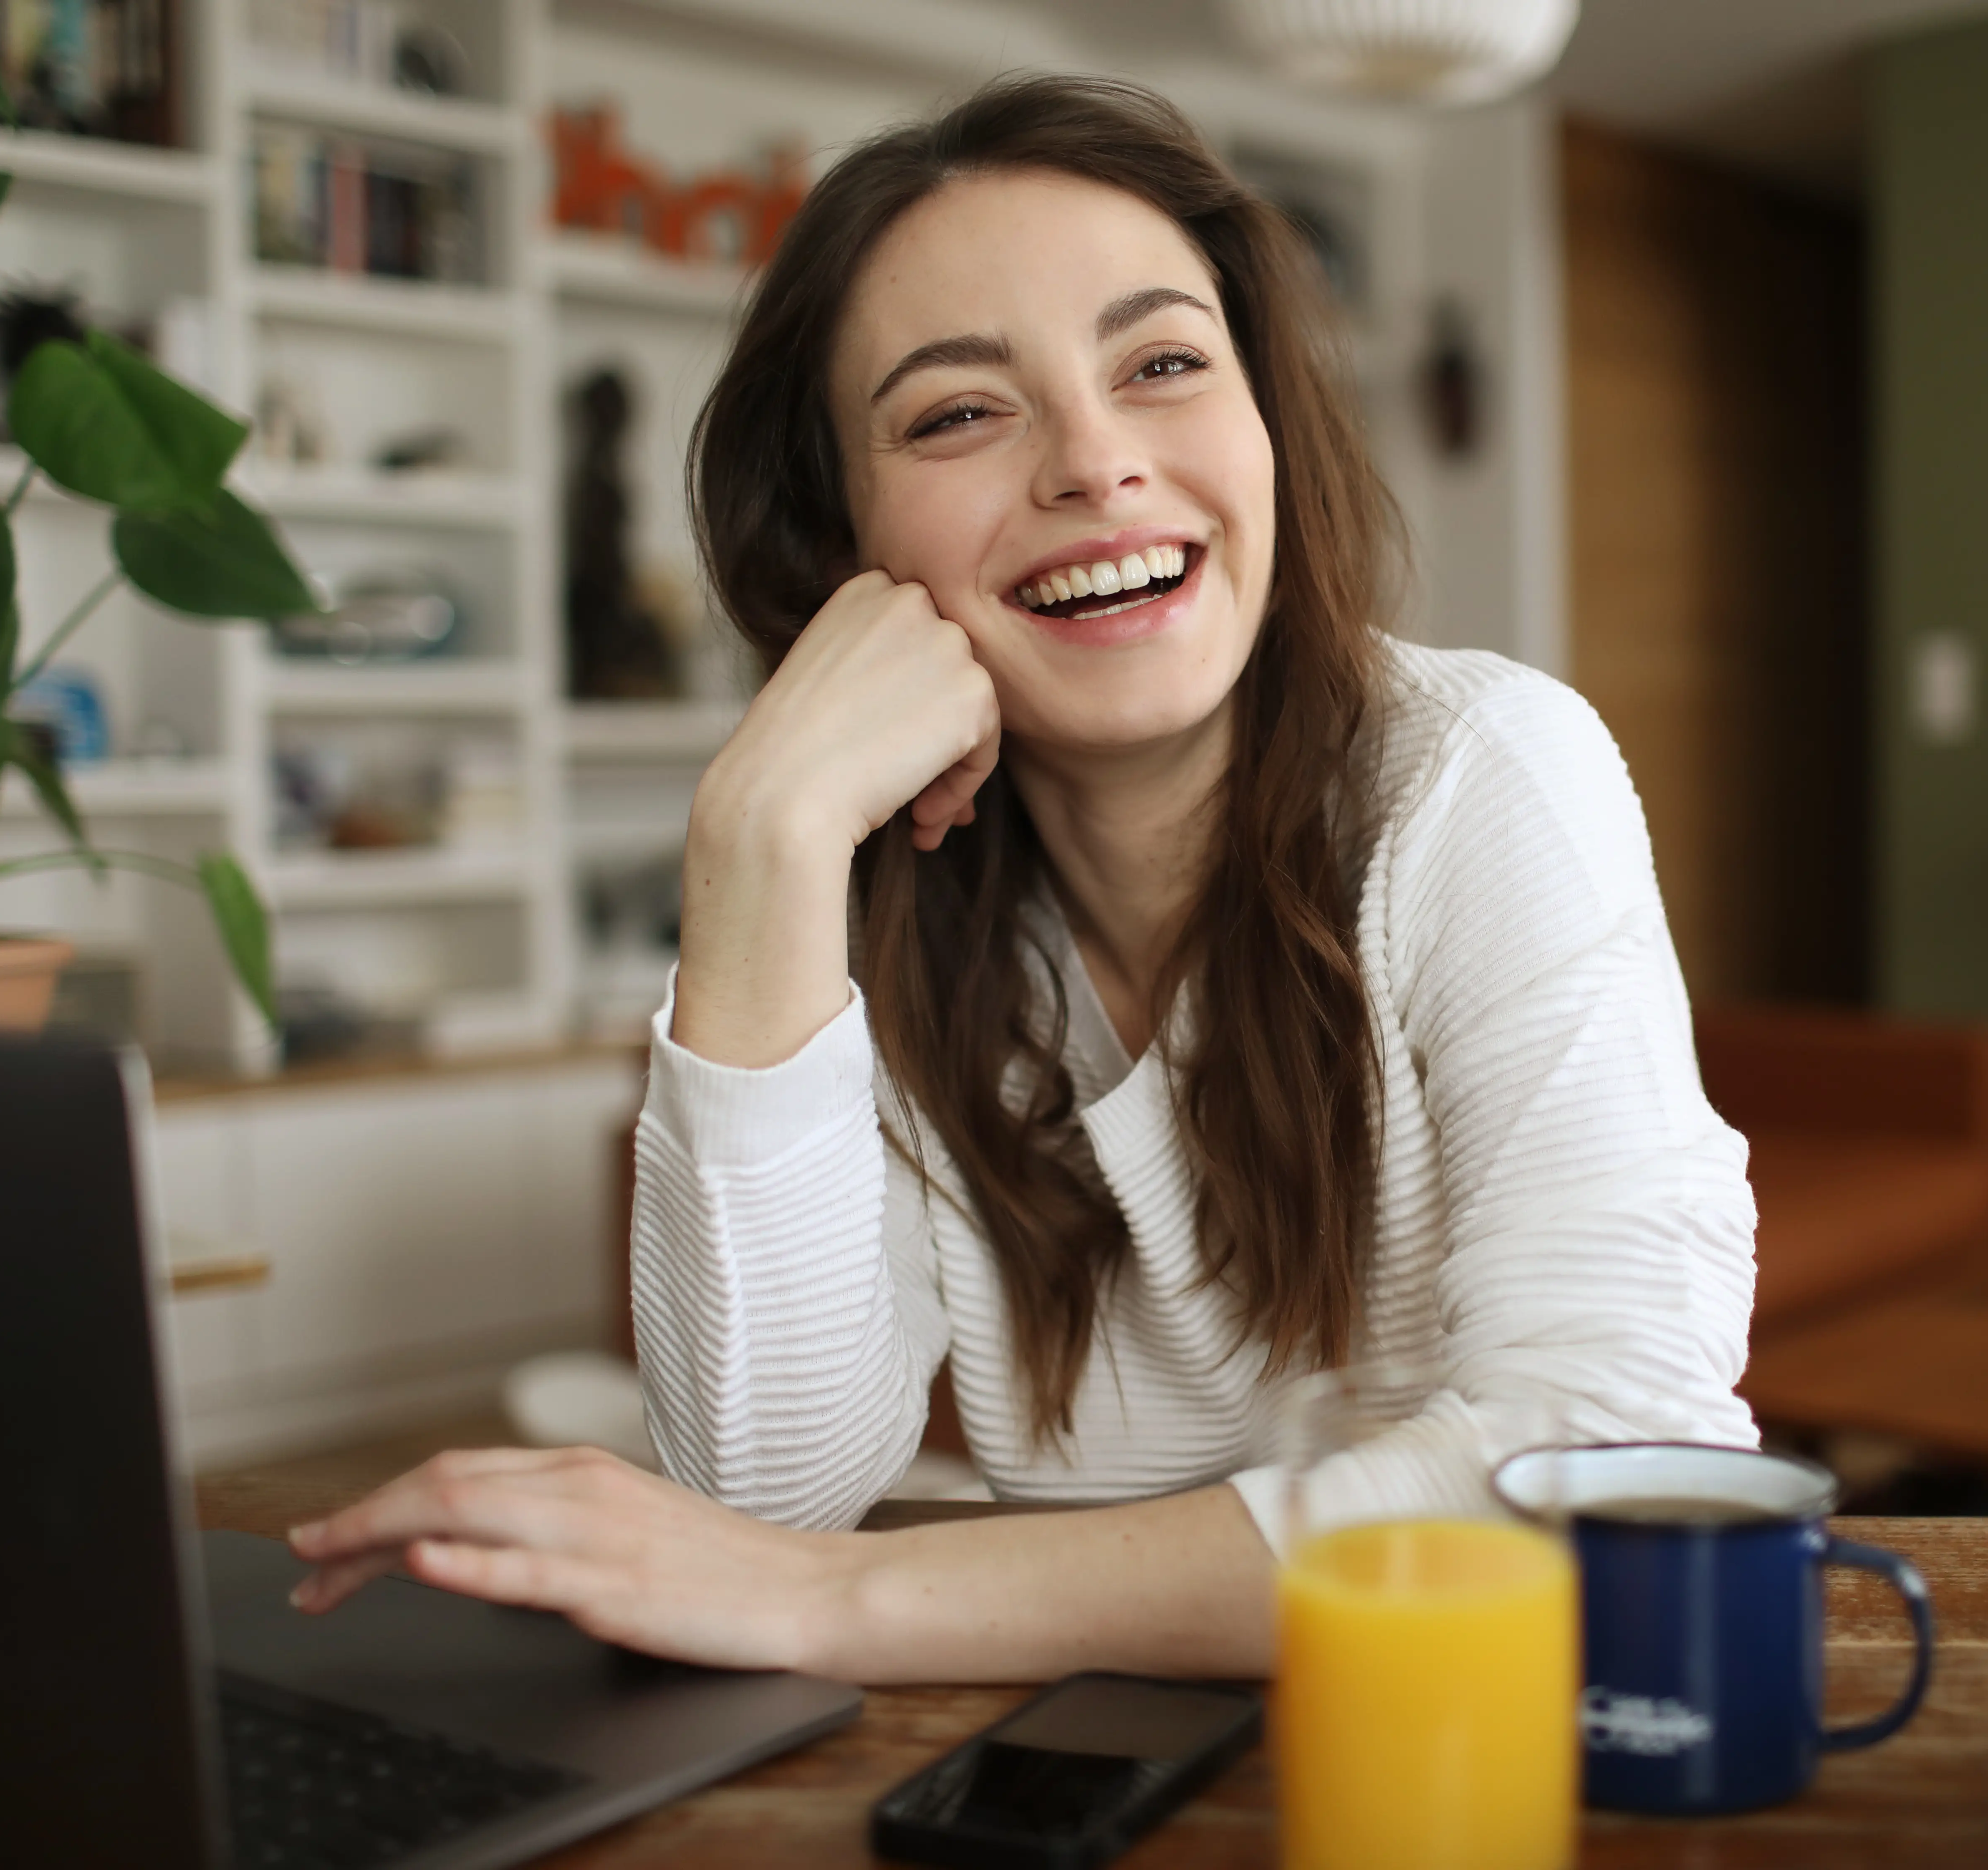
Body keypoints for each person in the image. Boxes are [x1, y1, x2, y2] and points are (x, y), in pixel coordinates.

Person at [285, 74, 1758, 1685]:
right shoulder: (879, 897)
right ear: (846, 538)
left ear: (1266, 423)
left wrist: (839, 1608)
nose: (1096, 462)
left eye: (1166, 365)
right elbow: (766, 1489)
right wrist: (758, 843)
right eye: (958, 413)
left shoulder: (1483, 773)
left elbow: (1617, 1460)